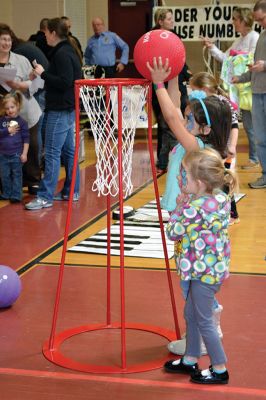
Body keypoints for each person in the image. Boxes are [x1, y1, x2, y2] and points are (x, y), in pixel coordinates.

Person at [164, 147, 237, 384]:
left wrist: (179, 207)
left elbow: (172, 232)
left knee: (203, 319)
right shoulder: (219, 198)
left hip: (201, 273)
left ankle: (219, 367)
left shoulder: (193, 209)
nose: (179, 178)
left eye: (183, 174)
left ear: (199, 182)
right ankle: (190, 358)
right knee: (192, 313)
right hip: (210, 270)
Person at [25, 17, 82, 211]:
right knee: (68, 152)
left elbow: (65, 81)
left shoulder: (62, 54)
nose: (45, 36)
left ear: (53, 33)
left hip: (59, 110)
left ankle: (45, 196)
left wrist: (42, 73)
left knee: (51, 152)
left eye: (46, 32)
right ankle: (71, 190)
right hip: (67, 108)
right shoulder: (68, 50)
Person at [201, 7, 259, 170]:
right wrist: (211, 47)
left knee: (254, 125)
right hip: (243, 89)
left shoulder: (254, 37)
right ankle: (254, 158)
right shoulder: (239, 40)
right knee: (249, 125)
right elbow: (225, 59)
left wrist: (237, 57)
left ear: (242, 20)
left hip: (252, 88)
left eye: (235, 19)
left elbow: (251, 60)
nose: (232, 22)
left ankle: (256, 158)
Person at [189, 72, 240, 225]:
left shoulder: (222, 103)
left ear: (204, 88)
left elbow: (234, 126)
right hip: (215, 148)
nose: (193, 93)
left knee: (224, 181)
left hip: (225, 150)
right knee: (217, 181)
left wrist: (232, 146)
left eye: (194, 89)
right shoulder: (206, 103)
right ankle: (220, 211)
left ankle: (232, 214)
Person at [0, 23, 42, 195]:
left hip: (26, 113)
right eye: (3, 39)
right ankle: (6, 183)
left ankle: (33, 181)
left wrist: (20, 85)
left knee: (30, 145)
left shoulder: (20, 60)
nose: (6, 43)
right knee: (6, 147)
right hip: (4, 115)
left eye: (8, 39)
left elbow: (34, 85)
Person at [152, 8, 192, 173]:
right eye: (168, 19)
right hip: (159, 84)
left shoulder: (176, 37)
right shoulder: (153, 38)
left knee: (179, 120)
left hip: (176, 83)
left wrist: (186, 71)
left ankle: (180, 157)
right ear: (160, 21)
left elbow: (179, 59)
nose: (172, 21)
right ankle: (162, 162)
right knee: (164, 124)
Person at [232, 0, 266, 189]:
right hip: (257, 93)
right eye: (258, 20)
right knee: (260, 138)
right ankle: (265, 175)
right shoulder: (261, 36)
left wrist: (265, 66)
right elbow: (256, 65)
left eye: (262, 19)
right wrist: (243, 76)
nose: (260, 23)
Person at [0, 91, 29, 203]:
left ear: (17, 106)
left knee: (17, 175)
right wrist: (7, 130)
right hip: (3, 154)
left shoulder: (22, 122)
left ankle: (17, 195)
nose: (10, 110)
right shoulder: (2, 121)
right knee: (4, 175)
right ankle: (6, 193)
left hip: (16, 154)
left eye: (12, 107)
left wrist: (24, 153)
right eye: (7, 108)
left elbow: (26, 139)